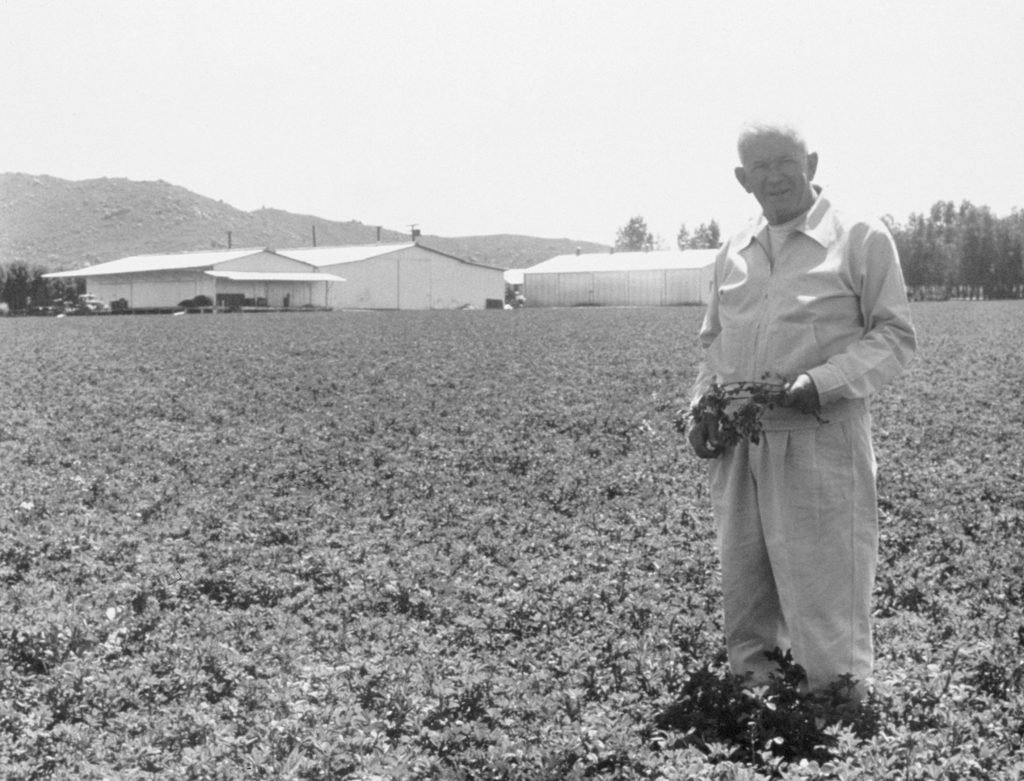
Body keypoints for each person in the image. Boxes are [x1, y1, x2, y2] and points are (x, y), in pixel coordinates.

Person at [688, 120, 917, 697]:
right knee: (747, 575)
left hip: (820, 432)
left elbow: (893, 335)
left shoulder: (859, 237)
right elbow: (714, 345)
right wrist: (701, 408)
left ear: (812, 164)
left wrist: (822, 380)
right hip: (742, 440)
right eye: (759, 166)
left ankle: (838, 702)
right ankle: (757, 695)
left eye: (785, 161)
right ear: (743, 179)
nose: (774, 175)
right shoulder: (733, 251)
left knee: (825, 573)